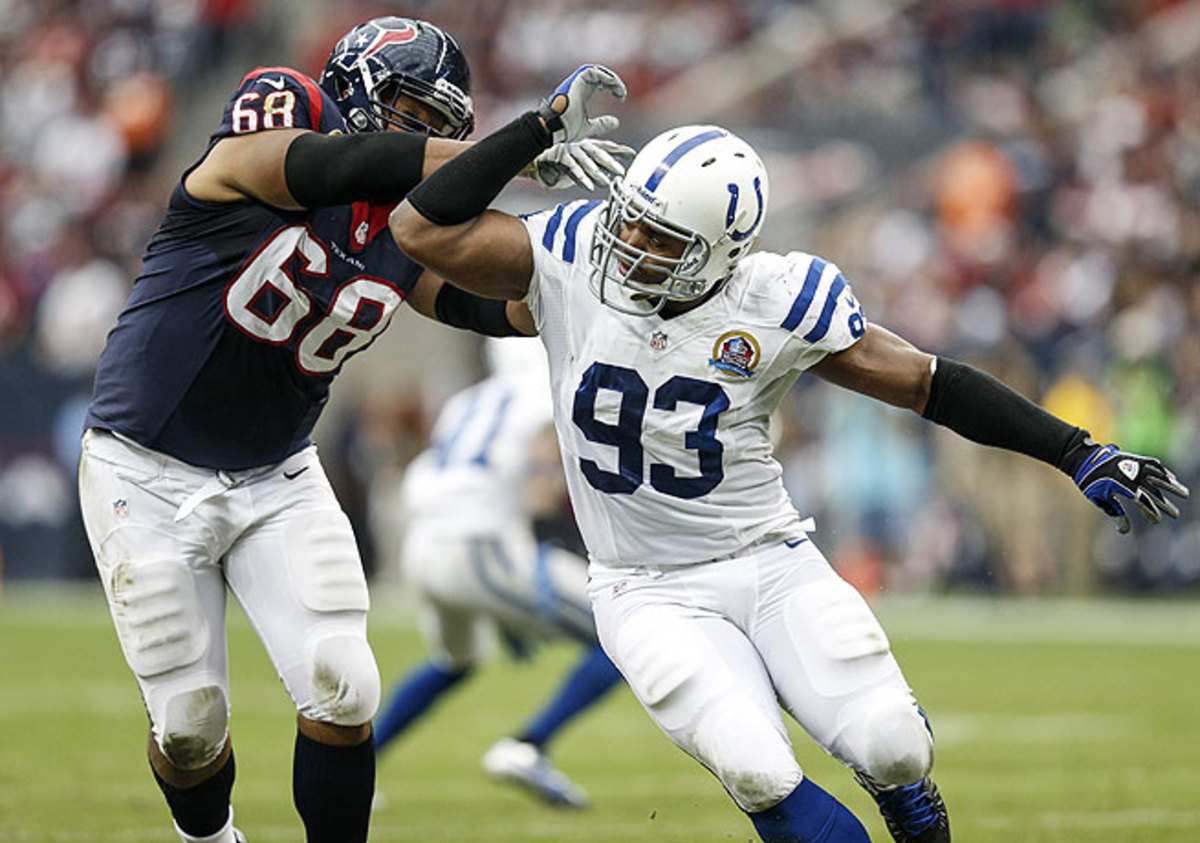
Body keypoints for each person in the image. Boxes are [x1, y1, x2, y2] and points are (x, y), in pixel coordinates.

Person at [386, 67, 1190, 843]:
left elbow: (927, 383)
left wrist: (1076, 450)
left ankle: (906, 797)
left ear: (720, 251)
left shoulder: (774, 301)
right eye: (627, 218)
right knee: (758, 768)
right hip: (643, 585)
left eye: (657, 236)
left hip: (770, 562)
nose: (626, 243)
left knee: (894, 747)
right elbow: (418, 232)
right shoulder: (571, 253)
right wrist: (532, 133)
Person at [75, 19, 627, 843]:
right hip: (144, 464)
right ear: (359, 89)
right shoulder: (281, 103)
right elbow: (317, 167)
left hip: (276, 471)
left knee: (344, 684)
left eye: (443, 126)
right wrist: (525, 139)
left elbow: (481, 304)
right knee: (189, 722)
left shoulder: (405, 224)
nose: (428, 137)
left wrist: (597, 291)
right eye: (414, 111)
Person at [374, 336, 622, 809]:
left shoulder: (466, 401)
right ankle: (529, 745)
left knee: (456, 661)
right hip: (482, 543)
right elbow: (540, 489)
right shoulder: (544, 393)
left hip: (423, 545)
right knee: (621, 633)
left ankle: (354, 771)